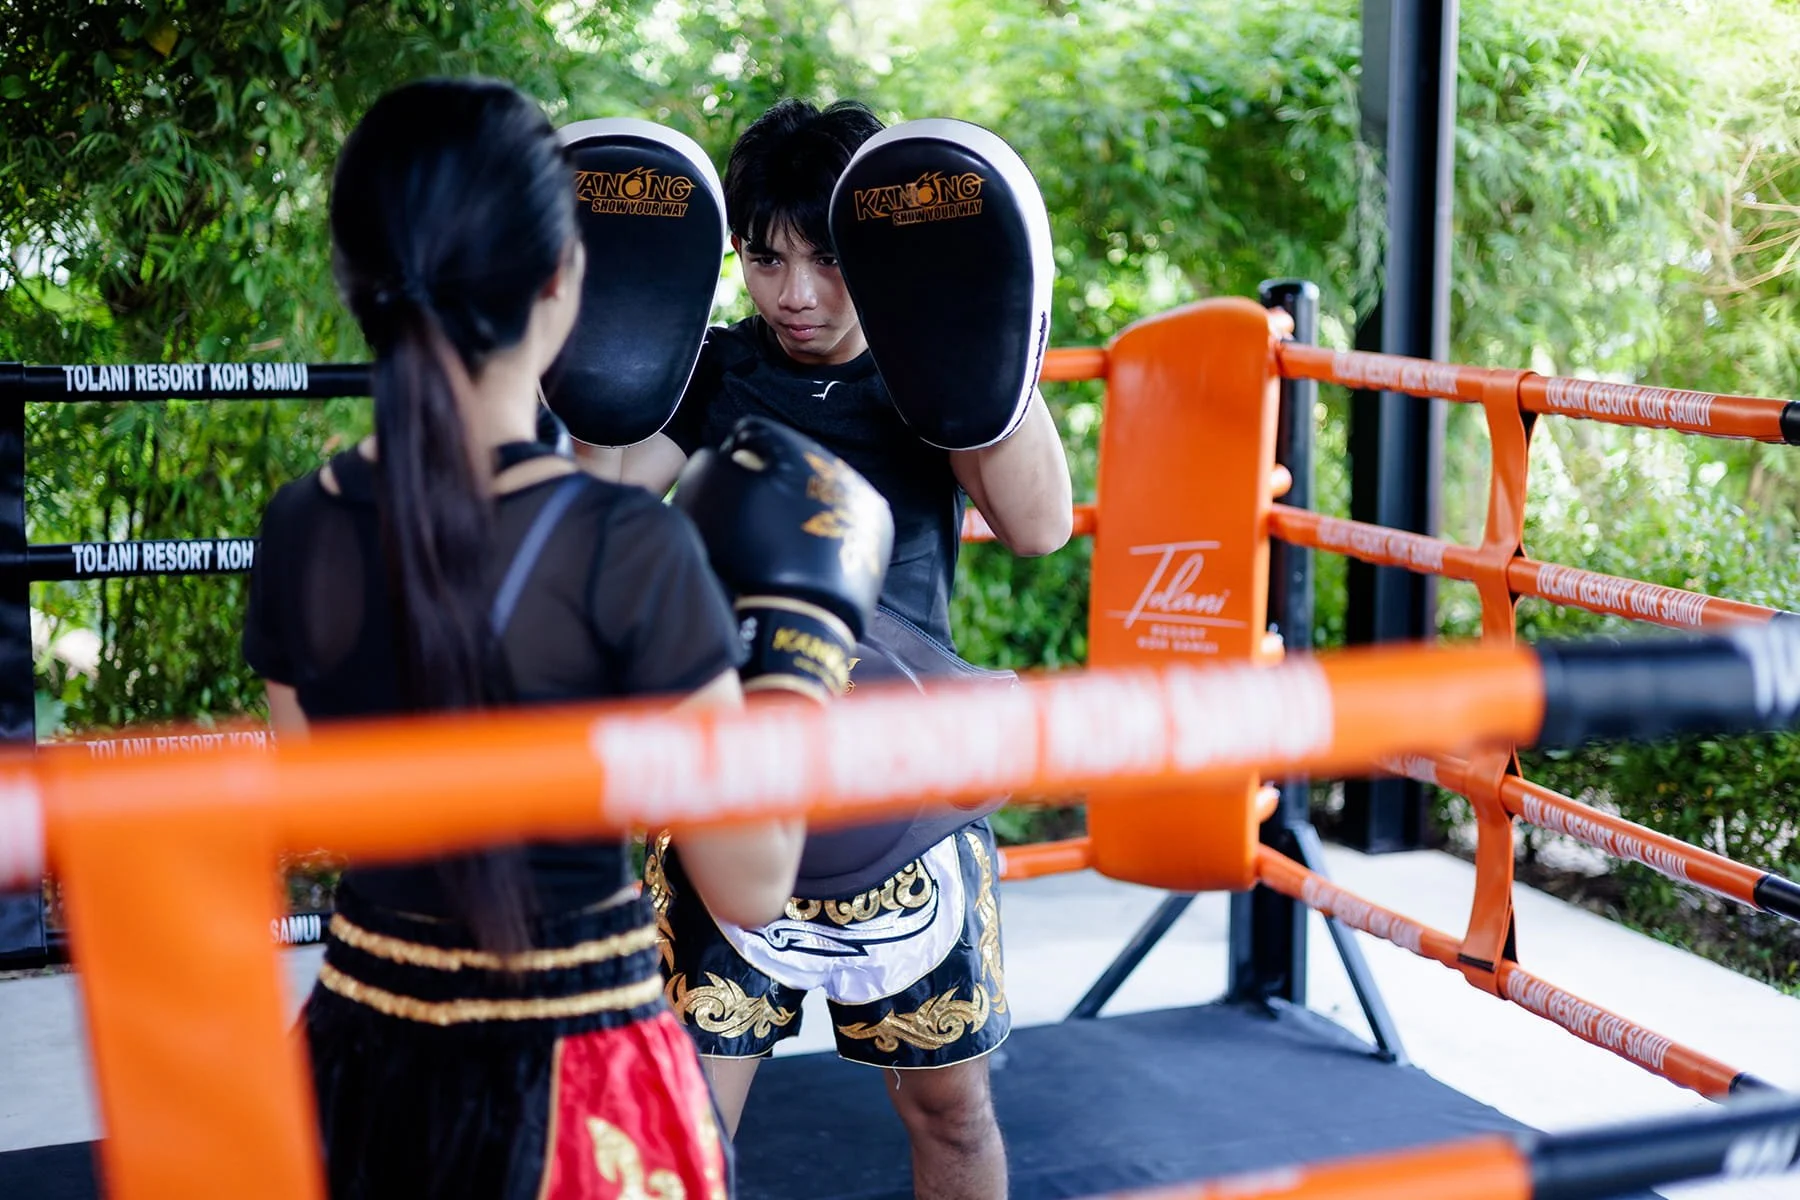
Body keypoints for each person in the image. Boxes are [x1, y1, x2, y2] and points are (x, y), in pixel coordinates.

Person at [241, 78, 827, 1200]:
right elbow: (752, 883)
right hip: (581, 1079)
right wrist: (798, 659)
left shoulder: (301, 522)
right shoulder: (623, 545)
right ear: (562, 282)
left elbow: (318, 807)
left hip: (359, 1051)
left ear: (362, 286)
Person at [579, 98, 1074, 1200]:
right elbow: (590, 514)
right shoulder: (702, 371)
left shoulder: (928, 371)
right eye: (766, 259)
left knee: (952, 1111)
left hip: (902, 789)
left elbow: (1039, 527)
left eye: (827, 262)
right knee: (681, 1125)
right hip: (729, 787)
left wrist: (981, 331)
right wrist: (596, 357)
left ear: (872, 251)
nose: (796, 295)